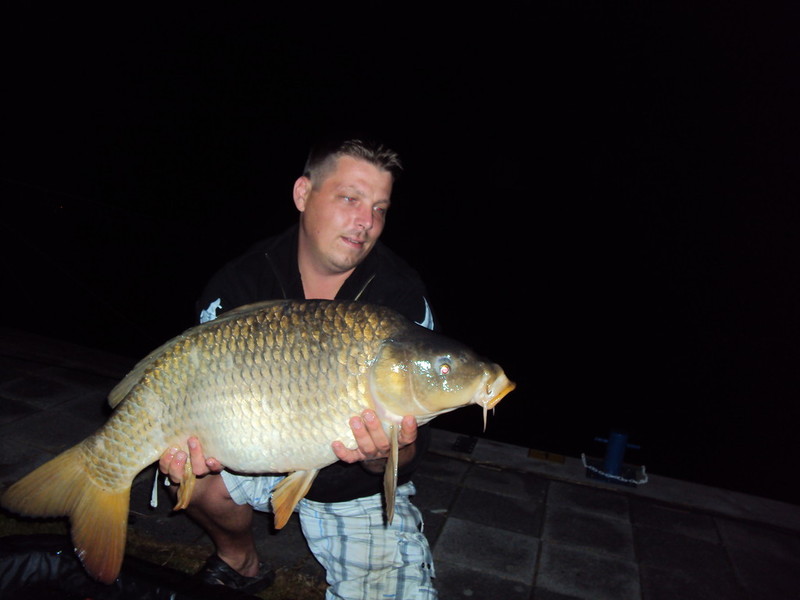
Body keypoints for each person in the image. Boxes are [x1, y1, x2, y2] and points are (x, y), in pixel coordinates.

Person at [159, 138, 438, 599]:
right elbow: (187, 384)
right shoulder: (242, 280)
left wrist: (386, 453)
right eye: (349, 199)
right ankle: (239, 559)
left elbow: (412, 452)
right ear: (303, 194)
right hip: (251, 453)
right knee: (184, 471)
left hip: (352, 485)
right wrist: (186, 441)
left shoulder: (399, 297)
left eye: (380, 209)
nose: (366, 222)